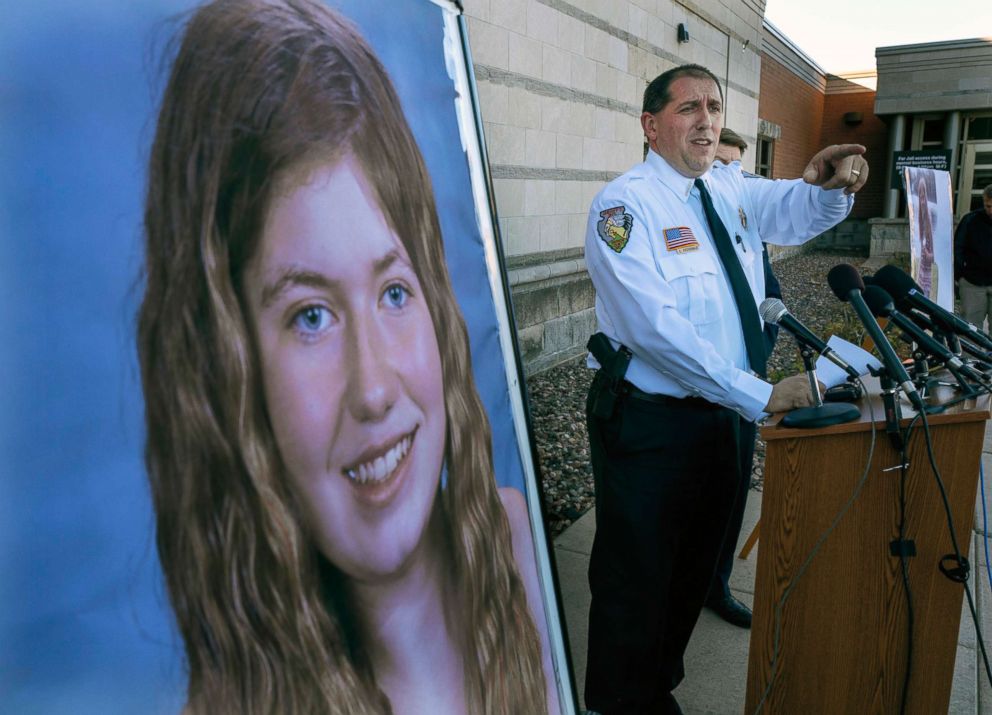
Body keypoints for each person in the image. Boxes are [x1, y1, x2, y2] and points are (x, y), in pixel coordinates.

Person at [136, 1, 557, 712]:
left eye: (395, 291)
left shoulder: (514, 548)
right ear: (226, 371)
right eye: (311, 315)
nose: (374, 388)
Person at [583, 63, 868, 714]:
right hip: (651, 424)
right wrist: (760, 393)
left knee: (694, 571)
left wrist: (829, 183)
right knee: (637, 577)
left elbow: (796, 211)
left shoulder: (729, 187)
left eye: (713, 106)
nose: (706, 119)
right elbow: (655, 331)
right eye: (688, 108)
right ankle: (619, 700)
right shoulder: (625, 207)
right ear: (652, 126)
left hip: (723, 416)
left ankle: (655, 687)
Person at [703, 127, 783, 629]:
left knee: (732, 493)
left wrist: (757, 362)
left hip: (743, 388)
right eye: (719, 164)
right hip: (691, 391)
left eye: (737, 167)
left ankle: (716, 584)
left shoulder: (746, 226)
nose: (729, 175)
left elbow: (770, 299)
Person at [954, 184, 992, 329]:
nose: (991, 211)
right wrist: (960, 276)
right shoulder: (971, 220)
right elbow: (958, 248)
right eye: (988, 206)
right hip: (972, 283)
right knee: (971, 329)